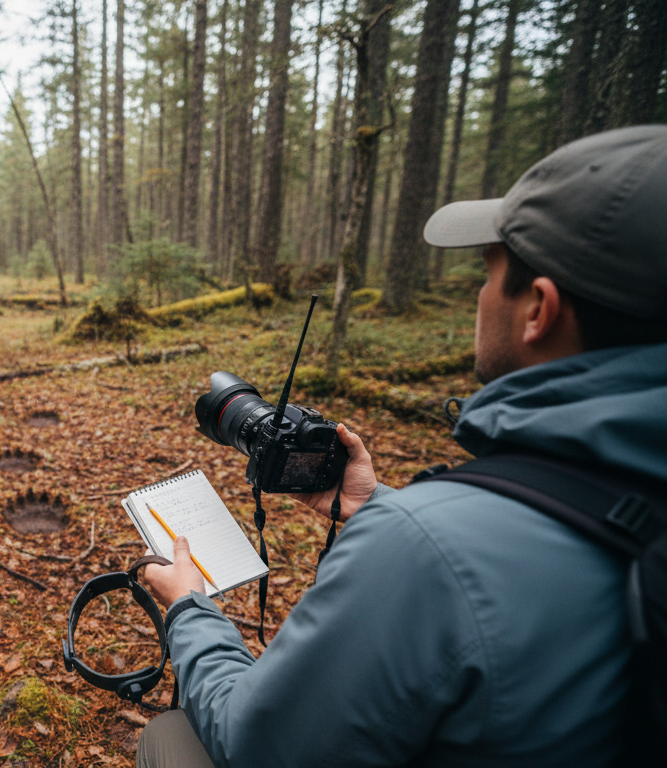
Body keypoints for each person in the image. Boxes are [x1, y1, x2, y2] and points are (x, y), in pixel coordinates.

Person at [136, 125, 667, 767]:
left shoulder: (427, 553)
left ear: (538, 309)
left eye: (490, 272)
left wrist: (189, 607)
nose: (479, 295)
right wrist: (375, 505)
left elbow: (259, 743)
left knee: (170, 738)